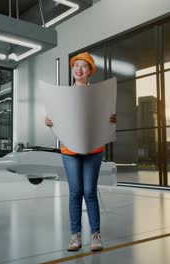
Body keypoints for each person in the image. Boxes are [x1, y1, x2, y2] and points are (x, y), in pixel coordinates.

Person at [45, 52, 117, 252]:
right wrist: (48, 121)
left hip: (93, 149)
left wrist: (111, 120)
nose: (78, 69)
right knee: (75, 192)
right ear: (72, 70)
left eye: (83, 66)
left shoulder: (98, 94)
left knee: (90, 193)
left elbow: (105, 117)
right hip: (69, 150)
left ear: (89, 71)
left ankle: (95, 235)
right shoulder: (63, 95)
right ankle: (75, 236)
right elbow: (55, 117)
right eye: (76, 65)